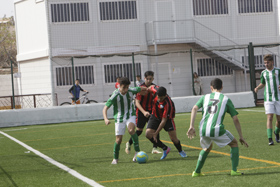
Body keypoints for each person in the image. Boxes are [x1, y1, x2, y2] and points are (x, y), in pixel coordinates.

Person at [187, 78, 249, 177]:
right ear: (222, 87)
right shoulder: (225, 99)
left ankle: (197, 172)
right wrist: (241, 136)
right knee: (234, 143)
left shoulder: (205, 97)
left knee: (207, 147)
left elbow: (194, 108)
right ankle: (234, 170)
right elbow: (235, 119)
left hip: (203, 129)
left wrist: (191, 126)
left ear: (211, 88)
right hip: (216, 129)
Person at [103, 77, 147, 164]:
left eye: (127, 87)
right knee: (118, 140)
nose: (126, 90)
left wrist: (150, 89)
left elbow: (142, 88)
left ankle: (137, 152)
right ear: (119, 86)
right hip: (119, 117)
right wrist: (106, 119)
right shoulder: (115, 94)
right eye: (124, 88)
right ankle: (115, 158)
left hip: (130, 115)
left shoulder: (131, 90)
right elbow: (105, 108)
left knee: (131, 130)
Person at [125, 71, 162, 155]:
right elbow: (137, 102)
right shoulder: (141, 88)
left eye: (150, 79)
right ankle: (128, 143)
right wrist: (144, 112)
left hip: (152, 111)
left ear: (153, 78)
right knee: (139, 131)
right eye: (147, 79)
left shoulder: (154, 87)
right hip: (141, 111)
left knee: (155, 129)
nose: (149, 80)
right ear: (144, 78)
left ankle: (155, 148)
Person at [145, 86, 187, 160]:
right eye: (158, 97)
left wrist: (156, 133)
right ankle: (165, 148)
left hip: (167, 119)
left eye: (161, 98)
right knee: (148, 134)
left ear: (165, 95)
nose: (159, 99)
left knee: (174, 139)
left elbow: (164, 121)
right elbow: (150, 87)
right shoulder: (156, 91)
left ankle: (180, 151)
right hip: (155, 116)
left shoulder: (168, 104)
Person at [254, 54, 280, 145]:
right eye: (265, 63)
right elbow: (262, 83)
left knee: (279, 120)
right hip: (268, 99)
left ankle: (276, 132)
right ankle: (270, 139)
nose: (266, 64)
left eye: (267, 62)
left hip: (278, 98)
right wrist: (257, 87)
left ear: (272, 62)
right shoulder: (263, 73)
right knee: (269, 117)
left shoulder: (278, 71)